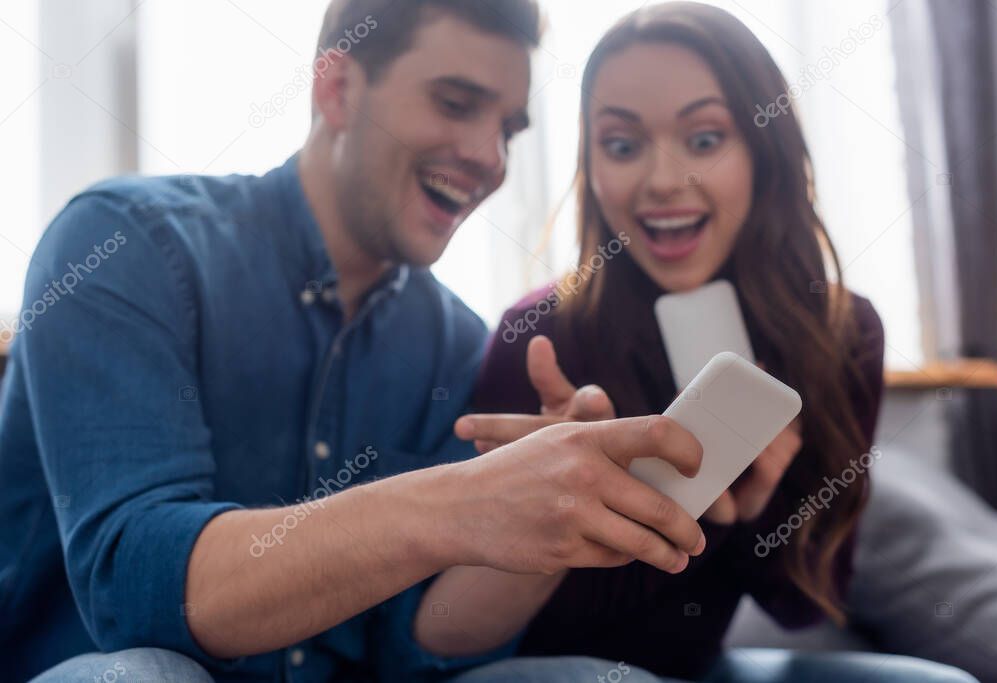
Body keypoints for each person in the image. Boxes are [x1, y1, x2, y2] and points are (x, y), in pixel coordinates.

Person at [0, 2, 710, 681]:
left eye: (509, 128)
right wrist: (458, 501)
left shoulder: (455, 342)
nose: (489, 156)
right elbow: (134, 589)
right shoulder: (125, 244)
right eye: (455, 103)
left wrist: (552, 517)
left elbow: (420, 643)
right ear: (337, 88)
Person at [452, 3, 979, 682]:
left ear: (764, 152)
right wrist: (573, 503)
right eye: (621, 144)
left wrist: (760, 510)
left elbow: (801, 606)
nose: (664, 180)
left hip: (705, 665)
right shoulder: (542, 335)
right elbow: (474, 635)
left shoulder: (841, 334)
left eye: (704, 139)